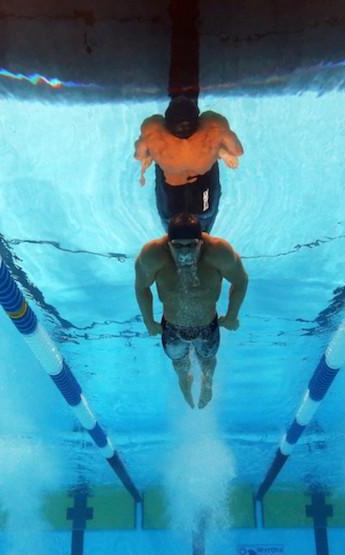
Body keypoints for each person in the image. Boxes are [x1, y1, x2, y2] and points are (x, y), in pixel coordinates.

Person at [134, 213, 248, 408]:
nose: (184, 253)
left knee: (207, 359)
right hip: (172, 327)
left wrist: (232, 316)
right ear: (168, 243)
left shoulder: (219, 252)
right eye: (177, 246)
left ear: (201, 241)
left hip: (207, 325)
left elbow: (241, 280)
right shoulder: (152, 255)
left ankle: (207, 384)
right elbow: (141, 287)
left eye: (191, 246)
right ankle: (184, 383)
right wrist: (148, 321)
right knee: (179, 363)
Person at [134, 96, 244, 233]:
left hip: (171, 186)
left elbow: (139, 156)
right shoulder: (214, 125)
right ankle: (202, 238)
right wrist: (220, 151)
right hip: (202, 180)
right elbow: (238, 151)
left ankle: (177, 241)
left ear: (166, 122)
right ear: (197, 120)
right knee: (205, 214)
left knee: (169, 217)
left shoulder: (153, 130)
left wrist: (150, 151)